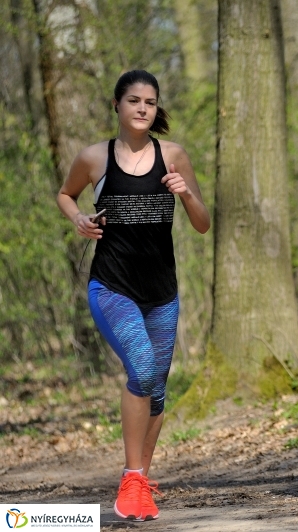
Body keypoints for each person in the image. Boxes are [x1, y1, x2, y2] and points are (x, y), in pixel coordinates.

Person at [56, 70, 210, 520]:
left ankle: (140, 481)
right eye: (134, 100)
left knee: (156, 392)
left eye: (150, 102)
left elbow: (202, 223)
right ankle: (132, 479)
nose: (143, 108)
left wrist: (185, 195)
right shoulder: (94, 158)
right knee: (141, 369)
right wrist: (78, 219)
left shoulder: (175, 155)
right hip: (112, 287)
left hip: (162, 293)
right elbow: (66, 194)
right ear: (117, 106)